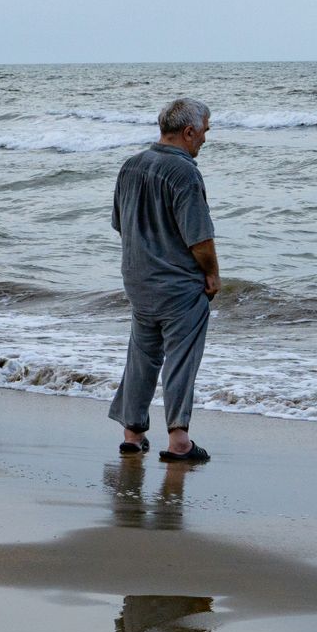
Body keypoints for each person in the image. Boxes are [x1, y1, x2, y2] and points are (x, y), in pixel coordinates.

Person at [108, 97, 220, 463]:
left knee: (142, 355)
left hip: (137, 279)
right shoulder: (184, 173)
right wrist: (212, 274)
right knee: (181, 358)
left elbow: (120, 224)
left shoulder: (131, 165)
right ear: (188, 131)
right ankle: (179, 441)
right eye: (204, 131)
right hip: (177, 283)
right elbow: (199, 238)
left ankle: (132, 433)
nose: (205, 138)